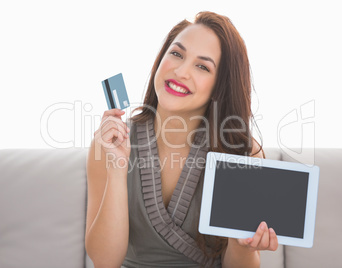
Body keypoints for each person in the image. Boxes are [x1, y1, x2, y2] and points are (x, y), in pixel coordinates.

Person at [85, 11, 278, 268]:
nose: (180, 71)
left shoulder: (242, 152)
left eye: (202, 66)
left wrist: (240, 245)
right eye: (176, 54)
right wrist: (117, 169)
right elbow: (104, 261)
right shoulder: (109, 143)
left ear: (220, 85)